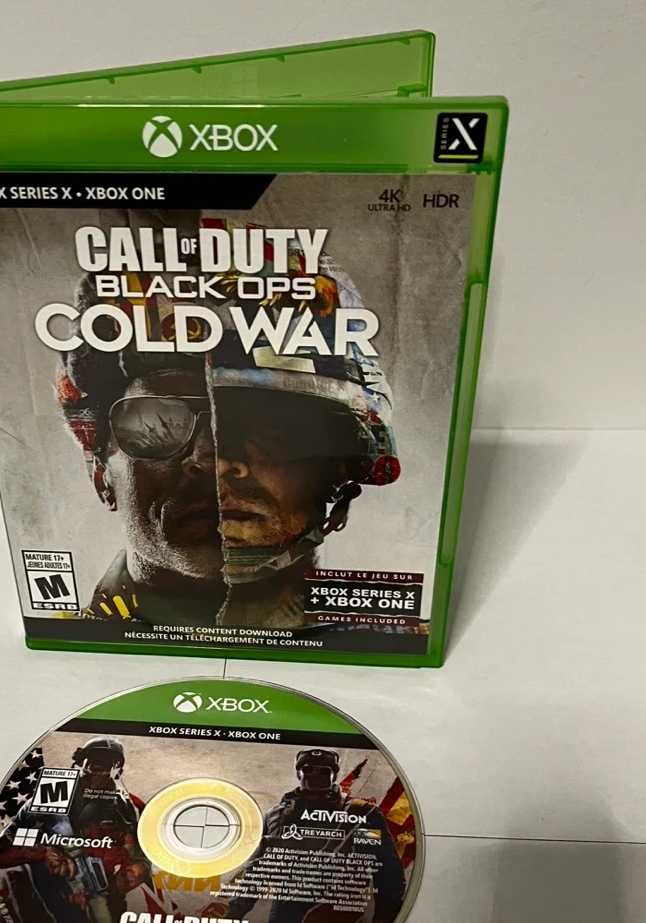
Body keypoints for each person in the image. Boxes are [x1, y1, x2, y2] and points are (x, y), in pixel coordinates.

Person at [55, 221, 400, 629]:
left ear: (340, 473)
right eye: (155, 422)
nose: (213, 460)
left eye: (269, 424)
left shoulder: (389, 643)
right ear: (101, 476)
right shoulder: (64, 639)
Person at [228, 748, 406, 923]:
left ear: (334, 775)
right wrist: (234, 914)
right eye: (309, 769)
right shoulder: (277, 815)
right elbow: (258, 866)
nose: (316, 775)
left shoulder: (358, 815)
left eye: (324, 770)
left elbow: (384, 865)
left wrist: (383, 919)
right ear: (298, 772)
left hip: (334, 911)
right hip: (286, 910)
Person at [0, 736, 144, 923]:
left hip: (103, 899)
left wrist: (134, 873)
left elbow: (140, 856)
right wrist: (41, 852)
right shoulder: (53, 794)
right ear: (79, 761)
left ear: (117, 767)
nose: (99, 762)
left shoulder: (125, 807)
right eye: (92, 756)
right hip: (44, 904)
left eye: (107, 758)